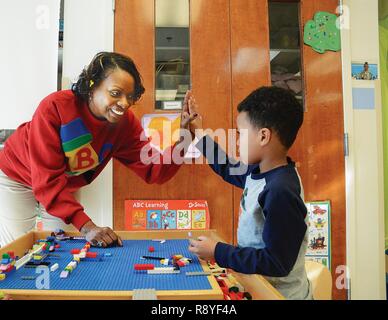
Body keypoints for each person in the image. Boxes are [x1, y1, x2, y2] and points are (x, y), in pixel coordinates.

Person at [0, 52, 193, 248]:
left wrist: (184, 139)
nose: (125, 103)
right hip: (16, 175)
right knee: (17, 250)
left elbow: (153, 170)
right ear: (92, 86)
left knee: (59, 248)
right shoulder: (55, 107)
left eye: (130, 96)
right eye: (116, 93)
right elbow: (47, 181)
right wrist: (87, 226)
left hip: (62, 184)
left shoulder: (124, 125)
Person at [187, 86, 312, 299]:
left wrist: (218, 251)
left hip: (279, 295)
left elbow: (277, 262)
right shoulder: (259, 172)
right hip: (258, 287)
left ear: (263, 136)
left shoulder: (280, 190)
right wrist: (197, 133)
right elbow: (225, 166)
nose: (236, 141)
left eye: (240, 134)